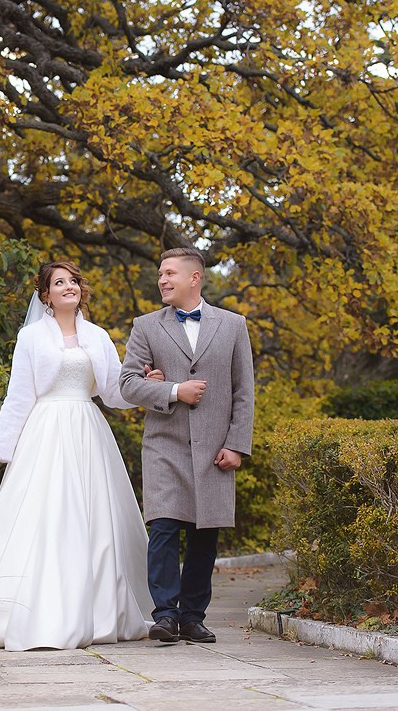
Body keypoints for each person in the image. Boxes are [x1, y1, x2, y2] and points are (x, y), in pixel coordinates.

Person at [0, 261, 158, 651]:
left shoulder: (98, 336)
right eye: (59, 282)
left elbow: (113, 392)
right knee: (48, 514)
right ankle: (39, 612)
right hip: (47, 431)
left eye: (73, 280)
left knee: (95, 519)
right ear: (45, 295)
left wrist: (145, 387)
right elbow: (19, 397)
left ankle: (100, 612)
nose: (68, 286)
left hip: (88, 432)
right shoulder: (31, 337)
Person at [119, 247, 255, 644]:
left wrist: (237, 445)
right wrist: (173, 389)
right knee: (162, 527)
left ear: (194, 278)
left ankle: (193, 616)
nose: (161, 280)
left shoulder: (233, 325)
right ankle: (164, 615)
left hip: (215, 448)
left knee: (204, 535)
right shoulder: (145, 326)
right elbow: (128, 384)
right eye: (160, 274)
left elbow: (243, 391)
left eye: (169, 273)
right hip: (165, 443)